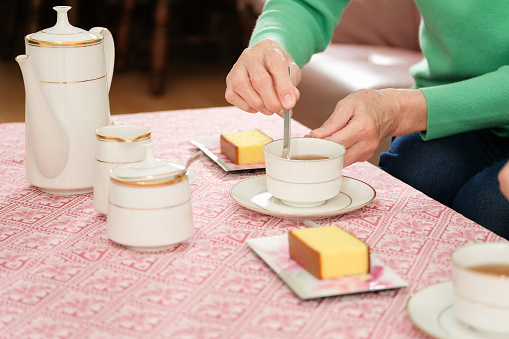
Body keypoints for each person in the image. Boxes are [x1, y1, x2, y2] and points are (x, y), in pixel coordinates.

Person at [225, 0, 509, 239]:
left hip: (440, 104)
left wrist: (402, 109)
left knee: (487, 207)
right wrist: (273, 44)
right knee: (417, 176)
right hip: (447, 101)